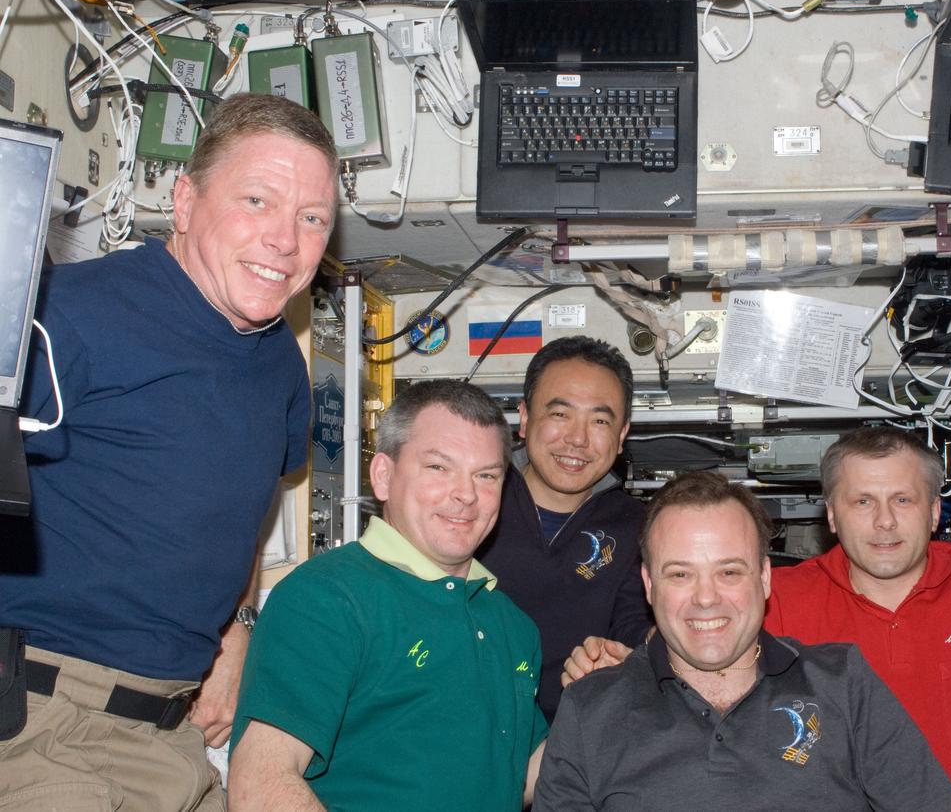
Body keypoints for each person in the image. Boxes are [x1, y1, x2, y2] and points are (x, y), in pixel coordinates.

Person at [0, 94, 337, 810]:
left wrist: (239, 628)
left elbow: (245, 515)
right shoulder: (67, 317)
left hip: (170, 738)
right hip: (44, 726)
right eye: (258, 200)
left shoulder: (280, 365)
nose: (286, 238)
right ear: (184, 202)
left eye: (312, 218)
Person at [564, 429, 951, 811]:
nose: (884, 521)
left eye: (902, 500)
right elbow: (701, 625)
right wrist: (624, 669)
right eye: (862, 501)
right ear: (832, 517)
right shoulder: (782, 595)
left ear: (933, 511)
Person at [534, 470, 951, 812]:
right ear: (649, 585)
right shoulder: (590, 706)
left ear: (763, 578)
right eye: (680, 574)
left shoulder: (843, 682)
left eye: (729, 572)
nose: (706, 598)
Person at [229, 380, 547, 811]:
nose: (466, 494)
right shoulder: (327, 598)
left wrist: (623, 696)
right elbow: (260, 785)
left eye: (486, 475)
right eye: (438, 467)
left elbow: (525, 777)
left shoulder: (512, 624)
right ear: (383, 475)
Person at [478, 335, 650, 721]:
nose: (577, 439)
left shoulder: (638, 526)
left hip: (576, 743)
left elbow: (637, 625)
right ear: (523, 418)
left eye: (600, 420)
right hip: (465, 730)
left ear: (622, 435)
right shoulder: (472, 502)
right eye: (560, 414)